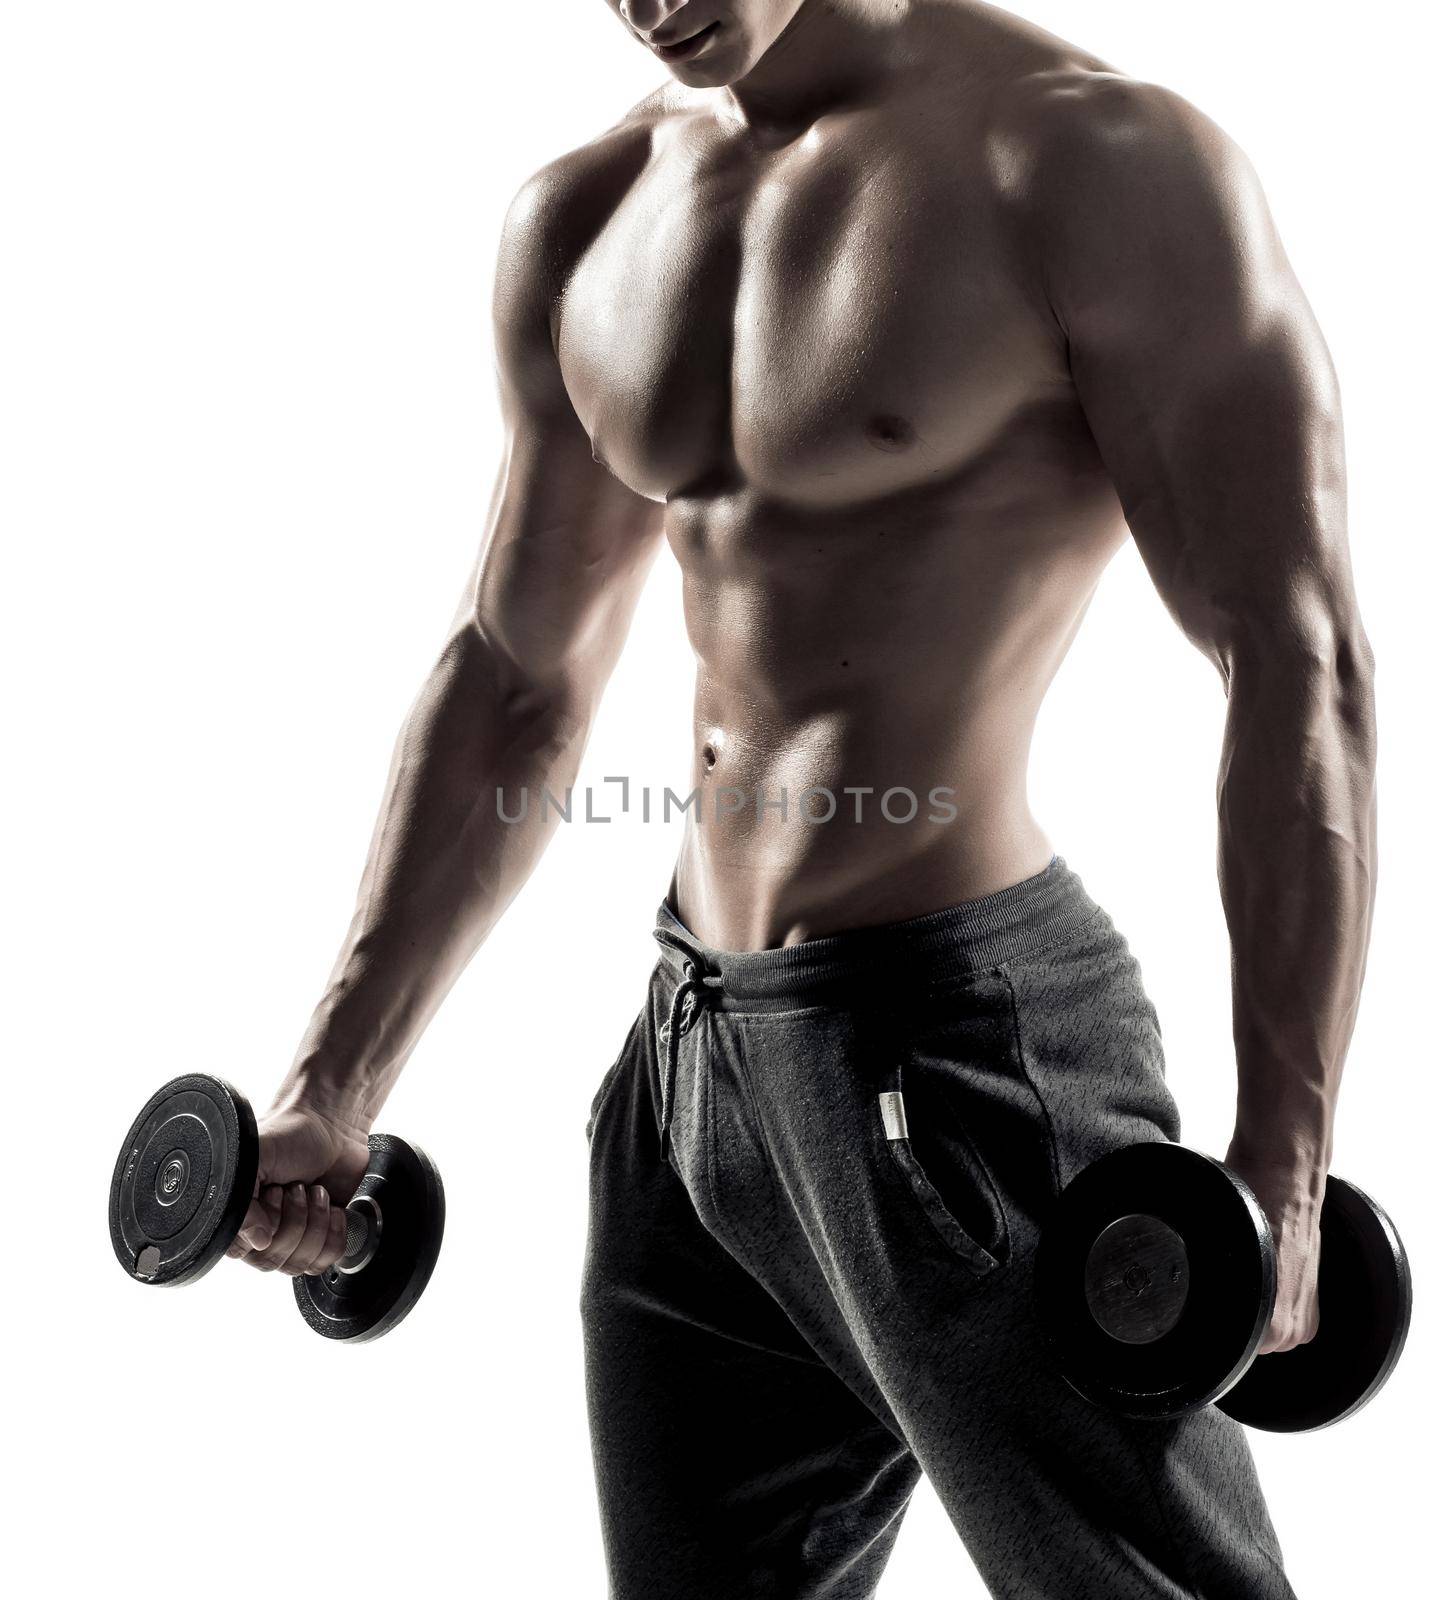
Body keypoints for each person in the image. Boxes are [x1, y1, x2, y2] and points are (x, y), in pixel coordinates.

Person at [224, 3, 1375, 1594]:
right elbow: (511, 681)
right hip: (692, 1069)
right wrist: (334, 1081)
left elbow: (1293, 659)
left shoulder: (1087, 162)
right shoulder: (588, 213)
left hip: (959, 1062)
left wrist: (1285, 1162)